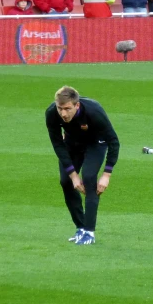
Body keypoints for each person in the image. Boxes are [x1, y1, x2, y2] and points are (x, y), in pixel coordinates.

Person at [45, 85, 120, 246]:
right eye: (60, 108)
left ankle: (89, 232)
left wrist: (107, 174)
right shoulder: (51, 113)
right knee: (65, 181)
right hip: (72, 144)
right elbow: (58, 144)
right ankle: (80, 228)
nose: (63, 113)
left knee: (89, 178)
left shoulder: (94, 111)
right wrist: (73, 176)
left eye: (67, 109)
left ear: (76, 105)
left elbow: (114, 141)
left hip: (95, 143)